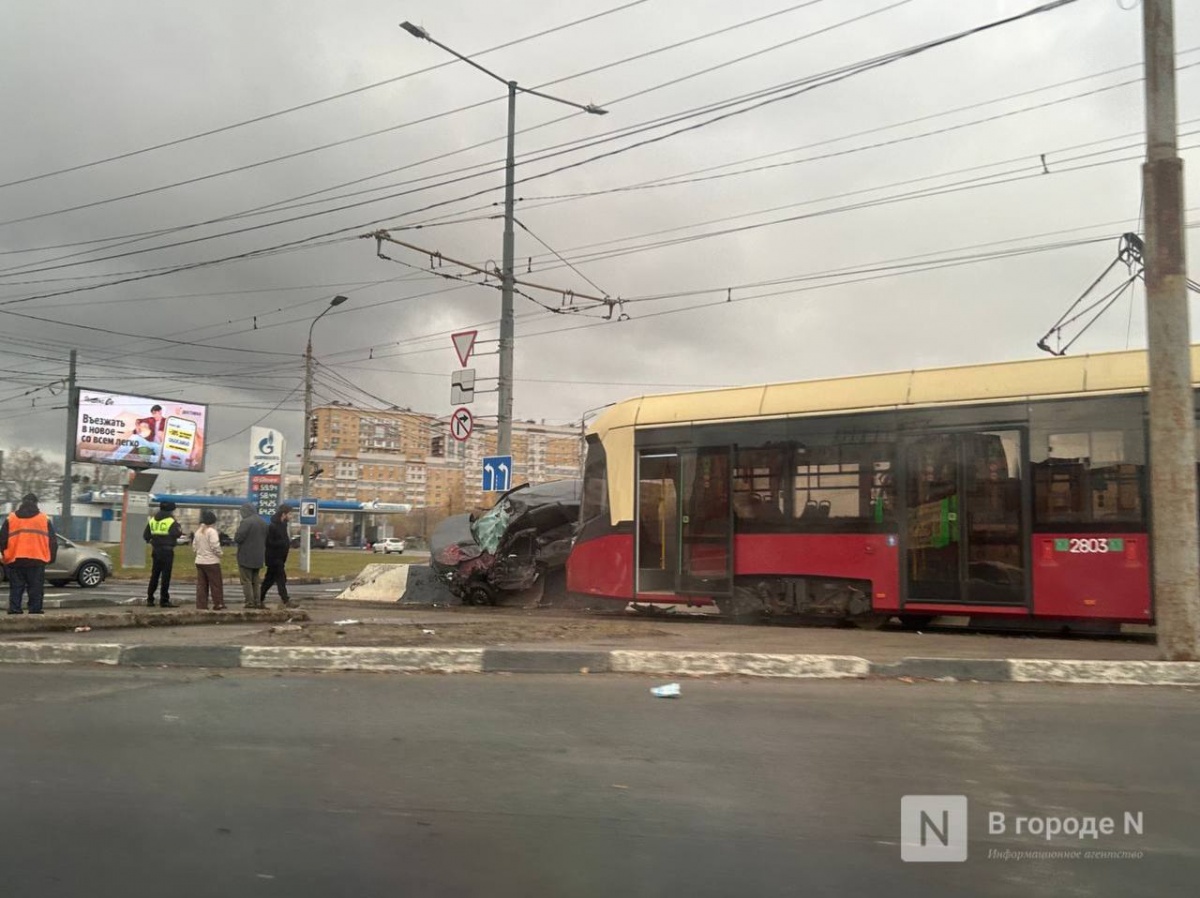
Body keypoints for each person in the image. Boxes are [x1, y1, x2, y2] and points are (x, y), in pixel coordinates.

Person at [0, 493, 57, 615]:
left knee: (16, 587)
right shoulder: (44, 519)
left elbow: (2, 539)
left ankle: (15, 610)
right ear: (36, 503)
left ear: (22, 502)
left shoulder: (11, 518)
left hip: (16, 559)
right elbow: (52, 540)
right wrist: (51, 557)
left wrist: (4, 555)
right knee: (35, 588)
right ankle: (35, 611)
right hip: (37, 559)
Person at [143, 500, 181, 607]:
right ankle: (164, 600)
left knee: (154, 575)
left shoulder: (152, 520)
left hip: (156, 550)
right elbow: (177, 533)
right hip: (167, 551)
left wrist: (154, 540)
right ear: (171, 510)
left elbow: (146, 536)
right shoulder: (170, 520)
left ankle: (150, 598)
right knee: (165, 576)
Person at [261, 504, 296, 609]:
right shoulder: (273, 526)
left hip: (280, 558)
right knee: (281, 579)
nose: (291, 516)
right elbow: (269, 543)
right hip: (274, 559)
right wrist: (283, 543)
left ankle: (258, 599)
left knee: (269, 580)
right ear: (283, 514)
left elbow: (284, 541)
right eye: (290, 514)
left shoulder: (283, 525)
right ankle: (286, 601)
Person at [235, 503, 268, 609]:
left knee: (246, 580)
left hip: (246, 556)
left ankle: (249, 602)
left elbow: (238, 538)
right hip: (259, 556)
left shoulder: (246, 522)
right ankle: (257, 601)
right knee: (256, 581)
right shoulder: (263, 522)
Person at [192, 510, 225, 611]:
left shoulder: (198, 531)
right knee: (216, 584)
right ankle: (218, 603)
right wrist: (220, 554)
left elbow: (194, 546)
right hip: (211, 561)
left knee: (202, 585)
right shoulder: (212, 531)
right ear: (212, 521)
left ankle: (201, 605)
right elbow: (215, 545)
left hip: (199, 561)